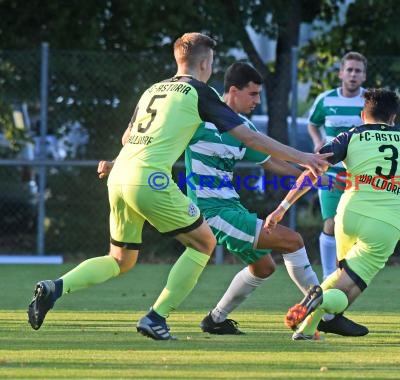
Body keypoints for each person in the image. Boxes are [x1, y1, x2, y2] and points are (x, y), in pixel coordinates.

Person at [27, 32, 330, 341]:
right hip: (149, 179)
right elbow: (250, 138)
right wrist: (305, 157)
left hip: (121, 177)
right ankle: (156, 318)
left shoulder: (152, 90)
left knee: (119, 259)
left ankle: (55, 288)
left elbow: (127, 139)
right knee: (204, 243)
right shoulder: (199, 92)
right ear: (205, 63)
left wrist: (117, 164)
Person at [264, 88, 400, 340]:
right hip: (384, 224)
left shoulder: (351, 137)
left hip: (348, 217)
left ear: (362, 115)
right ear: (393, 118)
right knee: (348, 288)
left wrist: (282, 207)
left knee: (341, 277)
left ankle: (309, 329)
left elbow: (313, 169)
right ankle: (323, 303)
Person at [186, 62, 365, 336]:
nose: (258, 101)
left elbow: (270, 161)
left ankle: (216, 319)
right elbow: (161, 144)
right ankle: (326, 316)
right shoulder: (199, 121)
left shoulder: (242, 126)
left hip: (230, 206)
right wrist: (120, 163)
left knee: (263, 266)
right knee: (292, 241)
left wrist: (315, 176)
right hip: (211, 210)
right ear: (233, 91)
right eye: (253, 94)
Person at [306, 52, 367, 281]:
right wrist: (317, 141)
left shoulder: (368, 101)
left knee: (355, 227)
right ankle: (328, 275)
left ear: (363, 76)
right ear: (341, 73)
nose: (353, 74)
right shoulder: (326, 99)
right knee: (330, 223)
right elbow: (313, 124)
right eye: (349, 70)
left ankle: (349, 273)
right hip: (331, 174)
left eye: (357, 71)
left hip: (361, 176)